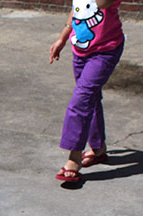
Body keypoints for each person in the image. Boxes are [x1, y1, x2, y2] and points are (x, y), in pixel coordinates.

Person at [49, 0, 125, 183]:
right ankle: (98, 148)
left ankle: (74, 158)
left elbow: (100, 3)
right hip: (81, 51)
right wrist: (63, 37)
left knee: (81, 100)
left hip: (105, 51)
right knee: (91, 98)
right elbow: (77, 8)